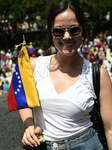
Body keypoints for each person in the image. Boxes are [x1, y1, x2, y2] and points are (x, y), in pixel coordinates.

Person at [19, 1, 112, 150]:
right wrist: (29, 126)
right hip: (42, 145)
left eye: (74, 30)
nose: (67, 36)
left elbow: (110, 130)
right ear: (51, 32)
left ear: (83, 31)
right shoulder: (33, 66)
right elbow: (22, 99)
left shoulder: (100, 74)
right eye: (59, 31)